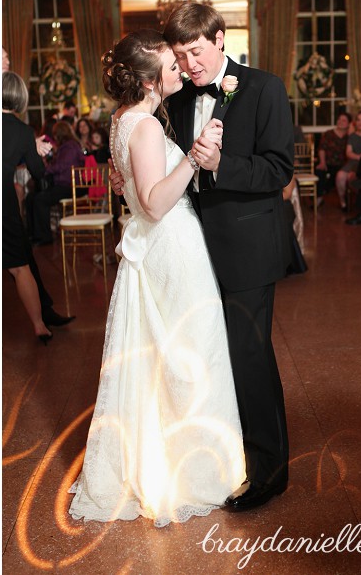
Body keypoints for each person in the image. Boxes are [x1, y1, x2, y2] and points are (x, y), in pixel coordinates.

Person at [68, 30, 245, 526]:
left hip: (159, 246)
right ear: (149, 81)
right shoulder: (144, 126)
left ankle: (178, 456)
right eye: (171, 66)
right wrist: (194, 152)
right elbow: (154, 202)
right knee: (191, 352)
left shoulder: (124, 119)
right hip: (171, 247)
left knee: (170, 355)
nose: (179, 72)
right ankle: (198, 471)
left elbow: (127, 183)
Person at [162, 3, 294, 512]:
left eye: (195, 52)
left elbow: (278, 170)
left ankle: (269, 471)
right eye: (180, 56)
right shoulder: (175, 100)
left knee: (250, 358)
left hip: (248, 250)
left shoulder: (264, 88)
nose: (190, 65)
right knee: (210, 358)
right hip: (193, 250)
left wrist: (222, 165)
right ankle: (223, 456)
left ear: (220, 39)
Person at [2, 71, 74, 343]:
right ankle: (39, 323)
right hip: (5, 200)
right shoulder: (21, 130)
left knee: (25, 257)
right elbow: (38, 172)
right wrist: (35, 153)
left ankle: (45, 310)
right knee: (20, 264)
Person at [24, 120, 86, 246]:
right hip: (66, 185)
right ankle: (33, 234)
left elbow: (61, 166)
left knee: (40, 199)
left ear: (59, 134)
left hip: (71, 187)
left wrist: (45, 169)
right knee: (31, 198)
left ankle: (44, 237)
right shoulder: (68, 146)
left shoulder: (70, 147)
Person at [316, 112, 350, 201]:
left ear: (348, 123)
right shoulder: (329, 134)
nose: (340, 122)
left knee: (339, 175)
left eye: (344, 120)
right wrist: (322, 162)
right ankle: (319, 198)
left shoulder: (350, 136)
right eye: (339, 119)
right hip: (328, 163)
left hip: (343, 165)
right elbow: (322, 148)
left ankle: (343, 199)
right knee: (320, 170)